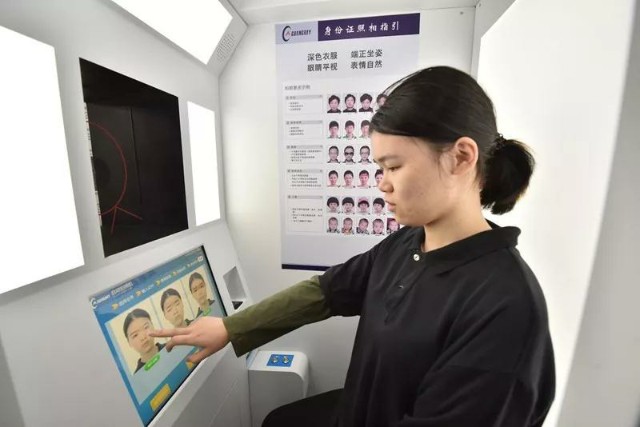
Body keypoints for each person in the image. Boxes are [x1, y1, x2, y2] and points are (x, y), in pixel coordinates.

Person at [150, 66, 555, 427]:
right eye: (379, 168)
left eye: (394, 166)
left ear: (461, 157)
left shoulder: (505, 308)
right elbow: (326, 292)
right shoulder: (408, 242)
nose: (382, 184)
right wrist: (230, 328)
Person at [123, 308, 164, 373]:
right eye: (135, 335)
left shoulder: (173, 347)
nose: (143, 337)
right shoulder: (138, 376)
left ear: (153, 325)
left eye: (146, 327)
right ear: (129, 343)